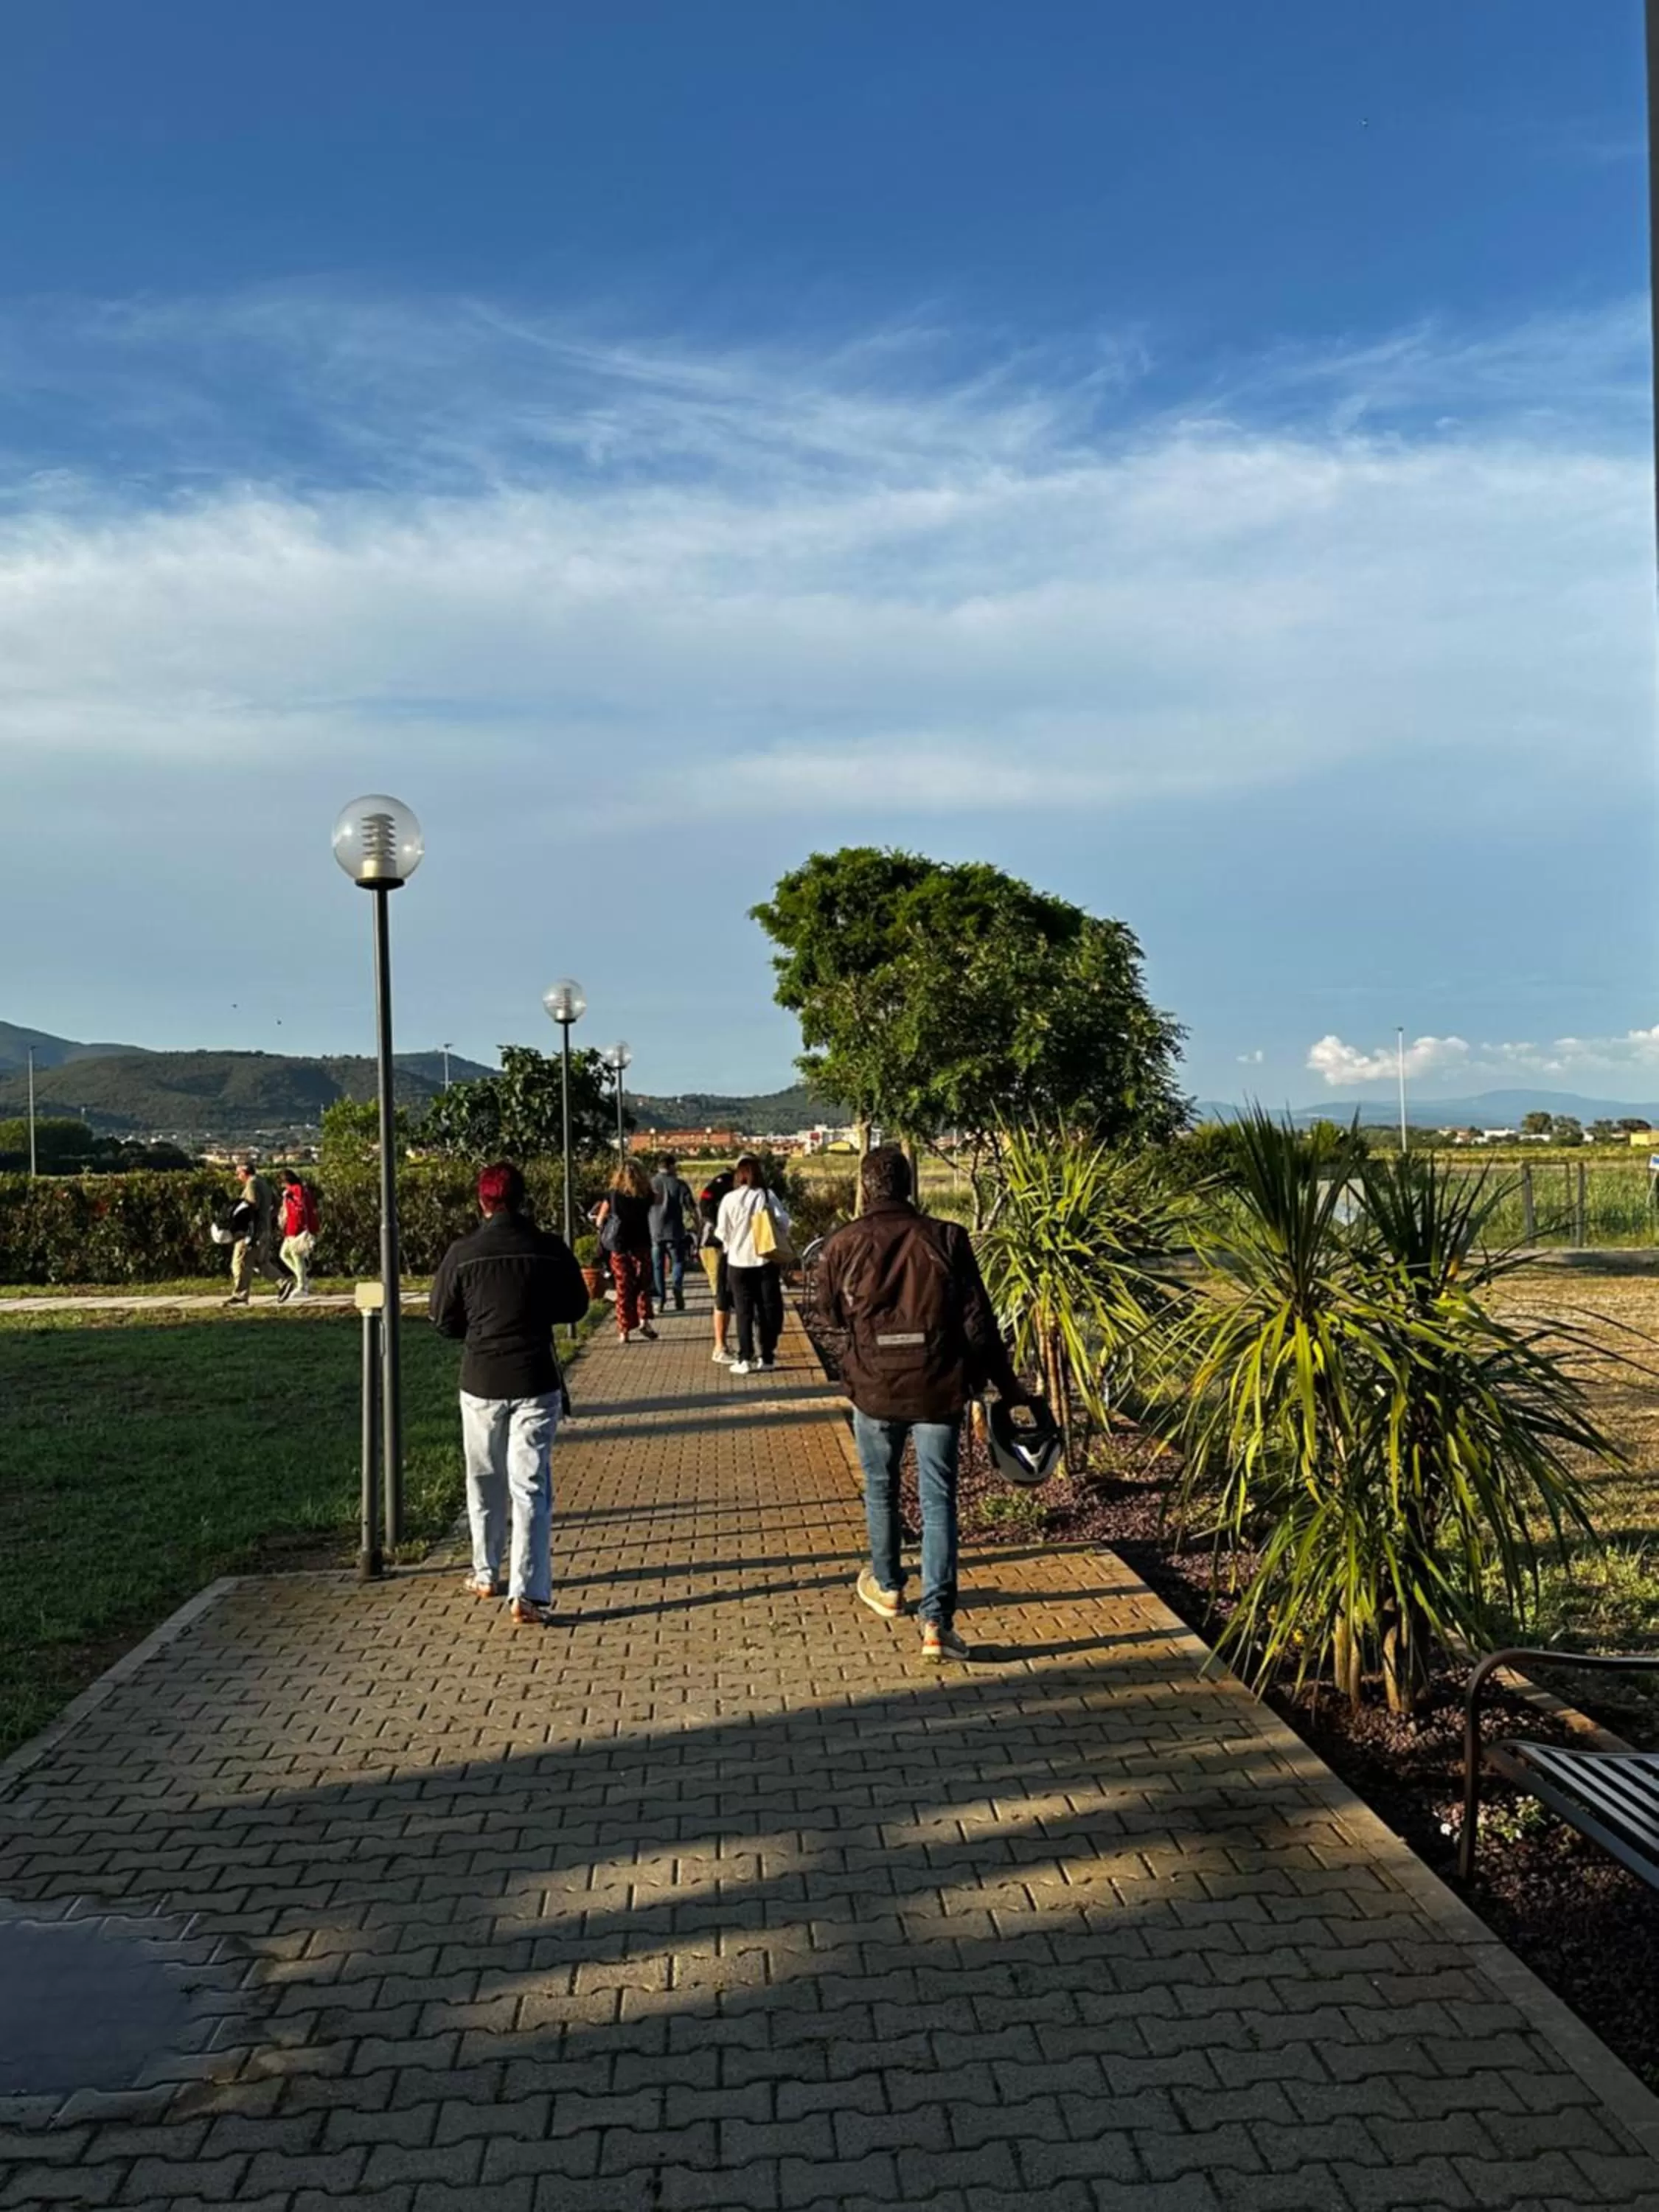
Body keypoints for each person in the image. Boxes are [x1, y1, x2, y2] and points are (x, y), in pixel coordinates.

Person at [815, 1144, 1032, 1663]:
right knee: (938, 1502)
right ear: (910, 1186)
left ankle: (888, 1586)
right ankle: (937, 1625)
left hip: (874, 1389)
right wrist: (1008, 1386)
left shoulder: (842, 1243)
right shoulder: (947, 1238)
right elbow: (979, 1324)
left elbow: (829, 1314)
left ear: (865, 1188)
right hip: (938, 1386)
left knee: (881, 1489)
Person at [429, 1160, 588, 1626]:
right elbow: (576, 1305)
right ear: (522, 1199)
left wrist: (476, 1326)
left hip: (481, 1379)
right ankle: (529, 1593)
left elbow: (442, 1318)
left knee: (483, 1478)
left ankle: (485, 1572)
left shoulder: (462, 1253)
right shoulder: (549, 1248)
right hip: (535, 1378)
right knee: (530, 1486)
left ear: (482, 1201)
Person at [715, 1155, 790, 1376]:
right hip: (764, 1260)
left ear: (739, 1175)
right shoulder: (767, 1195)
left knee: (743, 1311)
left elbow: (722, 1231)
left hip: (737, 1262)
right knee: (766, 1308)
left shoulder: (729, 1199)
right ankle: (766, 1356)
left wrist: (732, 1244)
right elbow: (784, 1222)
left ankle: (745, 1357)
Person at [594, 1156, 658, 1343]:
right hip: (642, 1244)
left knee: (623, 1287)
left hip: (620, 1246)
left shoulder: (613, 1195)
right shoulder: (646, 1194)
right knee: (643, 1284)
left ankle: (624, 1331)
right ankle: (645, 1321)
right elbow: (659, 1200)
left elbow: (599, 1221)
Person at [228, 1157, 293, 1304]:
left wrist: (238, 1218)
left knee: (239, 1262)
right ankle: (283, 1283)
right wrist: (268, 1217)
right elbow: (277, 1203)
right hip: (265, 1229)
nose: (237, 1177)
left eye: (238, 1173)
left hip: (252, 1232)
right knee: (261, 1262)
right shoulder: (263, 1182)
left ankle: (240, 1295)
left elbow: (252, 1205)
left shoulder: (252, 1184)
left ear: (245, 1172)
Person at [698, 1166, 737, 1364]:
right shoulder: (723, 1183)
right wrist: (719, 1224)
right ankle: (720, 1346)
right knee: (720, 1292)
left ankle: (723, 1344)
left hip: (722, 1244)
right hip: (712, 1244)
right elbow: (704, 1203)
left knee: (724, 1292)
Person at [648, 1154, 697, 1312]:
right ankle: (677, 1286)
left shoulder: (650, 1184)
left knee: (658, 1267)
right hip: (675, 1231)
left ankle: (660, 1300)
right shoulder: (680, 1184)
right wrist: (697, 1225)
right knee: (678, 1262)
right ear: (670, 1166)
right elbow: (691, 1207)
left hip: (655, 1231)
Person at [277, 1168, 319, 1300]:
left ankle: (302, 1286)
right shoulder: (300, 1190)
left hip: (296, 1228)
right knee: (285, 1254)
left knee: (296, 1255)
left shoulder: (294, 1191)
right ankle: (303, 1279)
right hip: (293, 1228)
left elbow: (299, 1209)